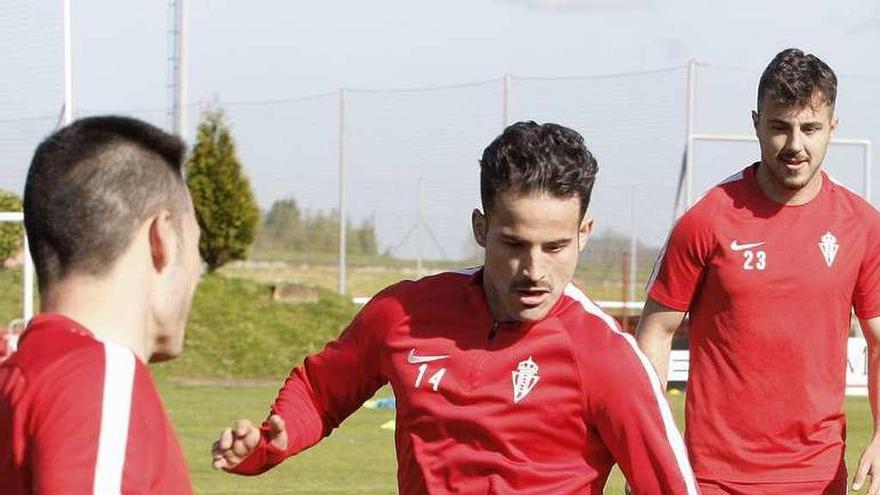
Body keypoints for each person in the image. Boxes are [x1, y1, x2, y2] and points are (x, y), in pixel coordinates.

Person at [212, 121, 698, 494]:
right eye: (513, 244)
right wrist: (271, 443)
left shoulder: (605, 355)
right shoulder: (404, 313)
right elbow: (320, 391)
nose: (534, 270)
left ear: (583, 235)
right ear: (481, 229)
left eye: (555, 247)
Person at [637, 48, 880, 494]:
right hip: (713, 478)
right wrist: (654, 449)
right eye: (779, 127)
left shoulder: (863, 225)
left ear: (833, 128)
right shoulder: (706, 219)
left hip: (818, 478)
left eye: (810, 128)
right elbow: (654, 332)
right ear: (755, 123)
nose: (795, 145)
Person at [0, 116, 202, 493]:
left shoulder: (22, 376)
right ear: (163, 240)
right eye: (196, 246)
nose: (197, 273)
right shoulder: (99, 375)